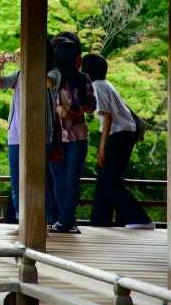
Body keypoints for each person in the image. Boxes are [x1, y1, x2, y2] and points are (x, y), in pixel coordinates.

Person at [0, 39, 61, 229]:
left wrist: (29, 62)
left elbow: (48, 83)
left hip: (40, 134)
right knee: (17, 180)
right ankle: (21, 218)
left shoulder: (53, 73)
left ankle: (44, 219)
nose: (22, 56)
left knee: (38, 178)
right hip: (16, 134)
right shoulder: (21, 73)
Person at [81, 54, 155, 229]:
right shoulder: (105, 84)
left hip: (119, 135)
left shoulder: (97, 86)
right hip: (125, 133)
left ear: (87, 71)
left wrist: (101, 148)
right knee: (107, 179)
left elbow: (107, 117)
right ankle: (101, 222)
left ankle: (140, 219)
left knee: (109, 180)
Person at [50, 38, 96, 234]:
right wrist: (57, 108)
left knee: (71, 179)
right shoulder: (51, 78)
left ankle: (66, 220)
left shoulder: (82, 78)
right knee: (58, 180)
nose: (80, 59)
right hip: (55, 136)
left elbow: (91, 105)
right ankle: (66, 220)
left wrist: (75, 111)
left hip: (77, 136)